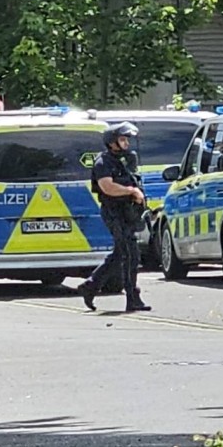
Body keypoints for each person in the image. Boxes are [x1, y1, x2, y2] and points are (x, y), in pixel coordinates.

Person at [78, 122, 151, 313]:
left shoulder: (126, 159)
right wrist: (131, 191)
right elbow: (107, 187)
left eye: (127, 139)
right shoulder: (103, 162)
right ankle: (132, 297)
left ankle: (91, 285)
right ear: (112, 142)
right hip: (114, 212)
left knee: (121, 252)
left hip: (128, 212)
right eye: (122, 139)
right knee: (130, 254)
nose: (126, 143)